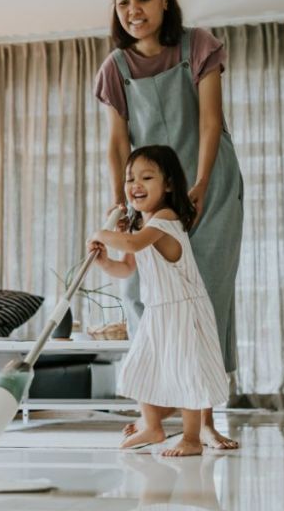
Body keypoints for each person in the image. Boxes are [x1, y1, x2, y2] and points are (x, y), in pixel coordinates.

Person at [94, 0, 243, 449]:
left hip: (209, 184)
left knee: (207, 296)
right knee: (142, 294)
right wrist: (120, 203)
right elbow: (118, 143)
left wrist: (200, 184)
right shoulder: (115, 67)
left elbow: (210, 121)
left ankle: (205, 420)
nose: (133, 11)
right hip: (151, 193)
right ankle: (155, 413)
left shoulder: (197, 46)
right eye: (122, 2)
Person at [89, 145, 230, 457]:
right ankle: (152, 426)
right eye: (130, 179)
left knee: (186, 370)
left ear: (167, 184)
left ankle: (191, 438)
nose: (135, 185)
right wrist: (103, 261)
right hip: (157, 310)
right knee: (142, 365)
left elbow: (133, 244)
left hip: (183, 308)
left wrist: (102, 233)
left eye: (146, 177)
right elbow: (126, 267)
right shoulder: (140, 226)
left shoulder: (166, 218)